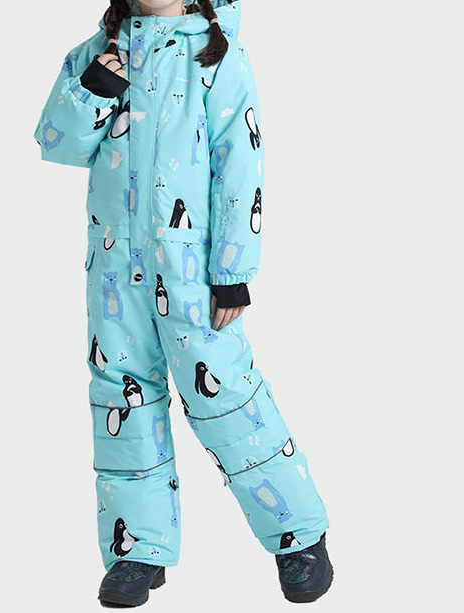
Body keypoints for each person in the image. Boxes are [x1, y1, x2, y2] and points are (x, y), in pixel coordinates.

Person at [33, 0, 333, 607]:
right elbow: (55, 142)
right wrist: (94, 89)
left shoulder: (217, 57)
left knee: (224, 395)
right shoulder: (97, 52)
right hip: (115, 266)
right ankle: (137, 549)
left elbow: (240, 163)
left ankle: (299, 535)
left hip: (190, 267)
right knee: (123, 398)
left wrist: (232, 271)